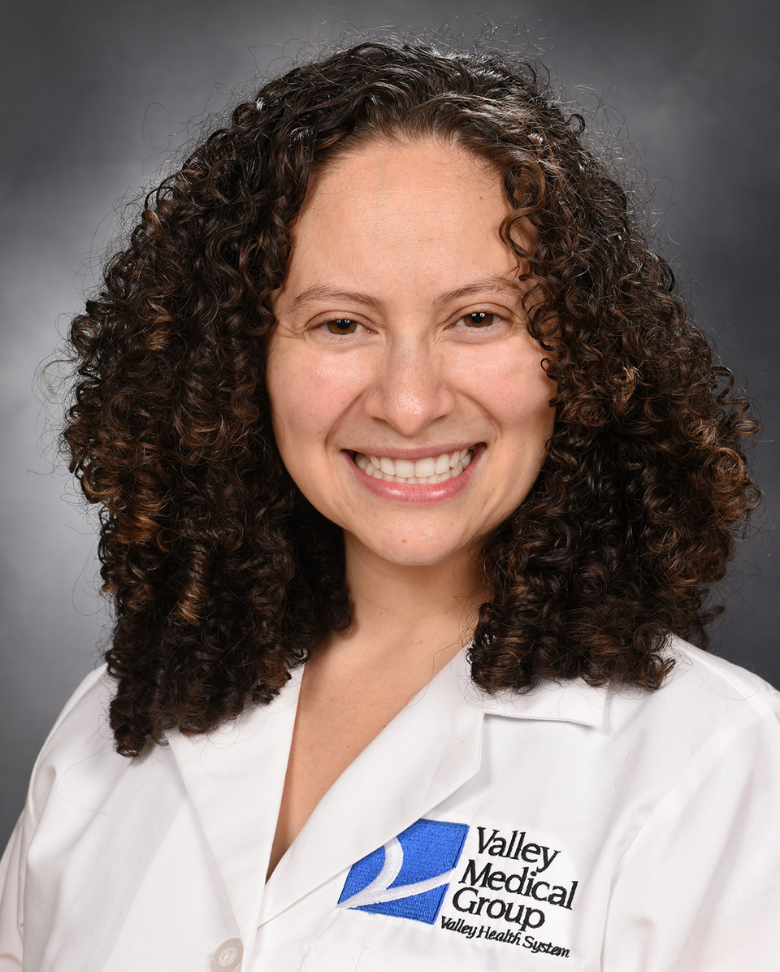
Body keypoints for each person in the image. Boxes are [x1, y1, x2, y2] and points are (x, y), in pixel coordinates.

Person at [0, 36, 777, 972]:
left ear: (578, 353)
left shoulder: (718, 768)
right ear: (239, 364)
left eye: (478, 318)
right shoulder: (109, 728)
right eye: (341, 323)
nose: (409, 403)